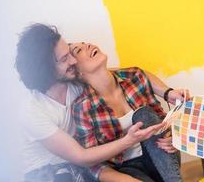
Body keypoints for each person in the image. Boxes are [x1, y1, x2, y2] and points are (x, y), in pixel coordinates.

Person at [15, 23, 189, 182]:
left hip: (96, 159)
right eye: (65, 58)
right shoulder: (34, 111)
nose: (72, 60)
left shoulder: (73, 82)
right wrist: (128, 141)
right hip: (49, 170)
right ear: (48, 71)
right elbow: (82, 157)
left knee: (144, 113)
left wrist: (167, 92)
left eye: (71, 53)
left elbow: (131, 73)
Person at [70, 42, 190, 182]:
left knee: (143, 114)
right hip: (124, 169)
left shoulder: (134, 77)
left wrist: (173, 135)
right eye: (79, 50)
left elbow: (162, 119)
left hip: (161, 156)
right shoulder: (83, 107)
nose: (88, 45)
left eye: (85, 43)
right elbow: (92, 163)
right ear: (77, 72)